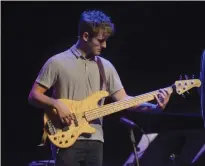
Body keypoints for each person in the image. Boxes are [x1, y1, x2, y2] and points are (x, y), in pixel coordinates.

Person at [28, 10, 171, 166]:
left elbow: (124, 100)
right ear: (85, 36)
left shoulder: (106, 66)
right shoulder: (57, 62)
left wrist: (154, 107)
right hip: (66, 137)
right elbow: (34, 95)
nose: (104, 45)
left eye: (106, 40)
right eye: (100, 40)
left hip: (96, 139)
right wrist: (56, 104)